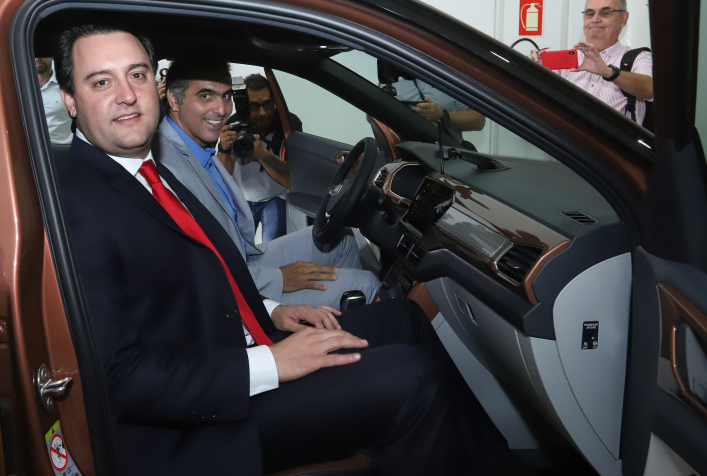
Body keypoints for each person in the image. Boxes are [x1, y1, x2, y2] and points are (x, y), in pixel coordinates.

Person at [54, 24, 509, 476]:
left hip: (237, 348)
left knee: (404, 319)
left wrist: (270, 310)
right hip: (204, 421)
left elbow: (203, 274)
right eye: (101, 81)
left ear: (155, 86)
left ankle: (489, 463)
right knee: (412, 379)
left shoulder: (149, 171)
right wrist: (270, 362)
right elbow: (120, 380)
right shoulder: (78, 205)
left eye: (136, 75)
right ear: (70, 100)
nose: (127, 95)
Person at [154, 58, 381, 309]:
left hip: (245, 254)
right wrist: (280, 277)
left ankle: (338, 320)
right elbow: (204, 269)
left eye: (226, 96)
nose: (221, 109)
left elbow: (287, 178)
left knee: (344, 238)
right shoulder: (167, 164)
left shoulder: (195, 143)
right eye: (206, 96)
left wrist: (262, 153)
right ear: (174, 100)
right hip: (233, 283)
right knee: (367, 283)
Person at [533, 0, 653, 125]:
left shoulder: (638, 58)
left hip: (609, 145)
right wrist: (533, 70)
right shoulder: (565, 61)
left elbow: (650, 89)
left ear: (623, 19)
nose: (595, 19)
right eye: (590, 14)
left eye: (605, 13)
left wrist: (609, 72)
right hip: (563, 143)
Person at [218, 73, 299, 242]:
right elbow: (224, 176)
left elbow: (290, 179)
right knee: (237, 247)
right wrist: (223, 149)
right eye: (254, 106)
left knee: (274, 248)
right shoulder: (233, 126)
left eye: (267, 104)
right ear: (244, 106)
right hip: (243, 197)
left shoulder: (287, 124)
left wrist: (262, 154)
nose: (263, 113)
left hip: (275, 196)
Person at [389, 76, 486, 143]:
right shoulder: (390, 76)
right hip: (401, 153)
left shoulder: (452, 75)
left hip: (446, 155)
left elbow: (479, 120)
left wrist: (441, 115)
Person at [36, 57, 73, 144]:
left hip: (62, 147)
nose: (38, 58)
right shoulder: (19, 84)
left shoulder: (66, 82)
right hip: (30, 149)